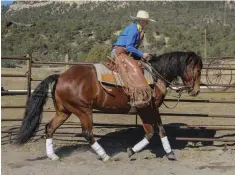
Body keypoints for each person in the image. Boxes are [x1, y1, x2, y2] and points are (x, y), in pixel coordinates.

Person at [111, 10, 156, 108]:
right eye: (145, 21)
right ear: (140, 21)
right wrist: (142, 54)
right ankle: (134, 96)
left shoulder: (139, 30)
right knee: (134, 69)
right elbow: (129, 46)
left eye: (147, 21)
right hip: (119, 53)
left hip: (125, 53)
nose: (146, 23)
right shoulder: (134, 29)